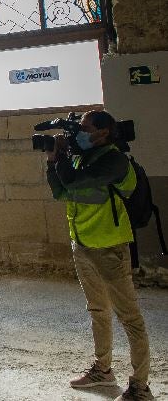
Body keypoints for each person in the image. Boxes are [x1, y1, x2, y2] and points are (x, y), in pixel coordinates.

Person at [45, 109, 154, 401]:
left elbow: (71, 182)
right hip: (82, 245)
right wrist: (52, 159)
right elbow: (60, 192)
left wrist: (62, 156)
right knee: (97, 310)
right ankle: (103, 371)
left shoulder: (114, 160)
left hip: (110, 248)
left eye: (85, 127)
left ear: (103, 132)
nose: (80, 132)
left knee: (130, 318)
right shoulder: (84, 157)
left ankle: (140, 387)